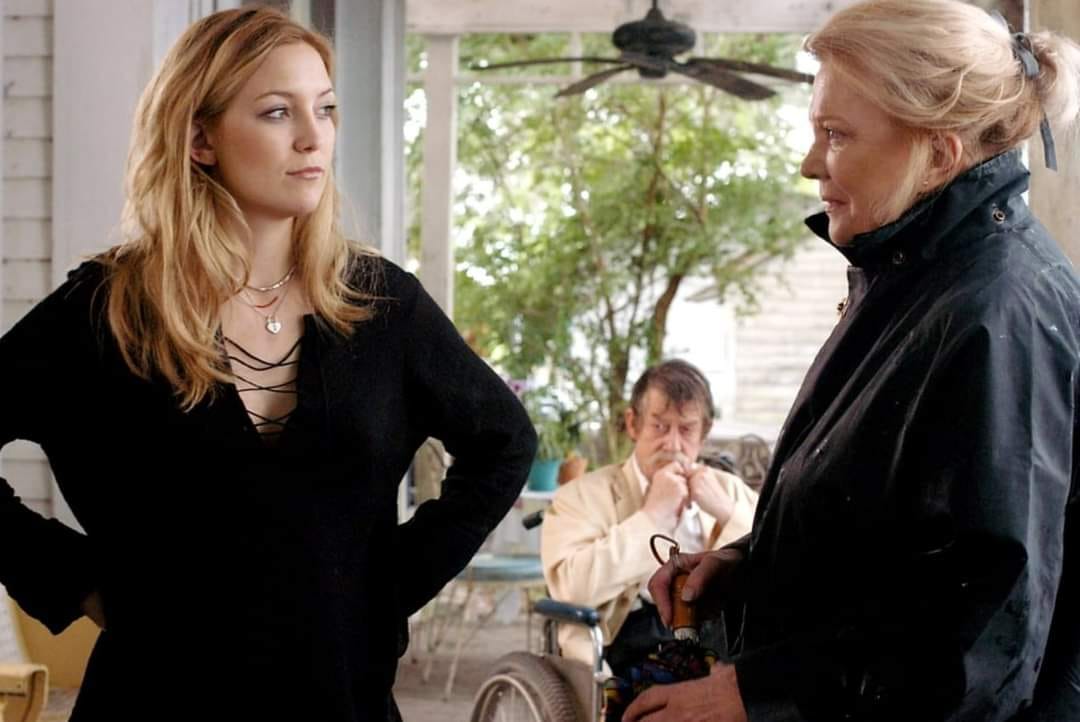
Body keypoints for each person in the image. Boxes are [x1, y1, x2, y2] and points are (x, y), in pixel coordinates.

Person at [0, 8, 535, 722]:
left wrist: (389, 583)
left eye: (326, 108)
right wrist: (77, 581)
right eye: (279, 112)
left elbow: (504, 441)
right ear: (200, 138)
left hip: (344, 704)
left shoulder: (380, 304)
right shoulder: (107, 310)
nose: (314, 137)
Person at [625, 1, 1080, 721]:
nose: (811, 163)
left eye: (835, 135)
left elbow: (972, 636)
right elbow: (890, 536)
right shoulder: (915, 279)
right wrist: (745, 566)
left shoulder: (997, 315)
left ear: (939, 155)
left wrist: (750, 695)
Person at [541, 359, 758, 675]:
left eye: (686, 429)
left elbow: (776, 565)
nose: (672, 444)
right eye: (659, 427)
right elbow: (571, 589)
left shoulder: (729, 491)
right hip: (627, 644)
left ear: (704, 432)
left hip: (723, 646)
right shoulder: (582, 496)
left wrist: (727, 513)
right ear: (633, 424)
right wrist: (653, 517)